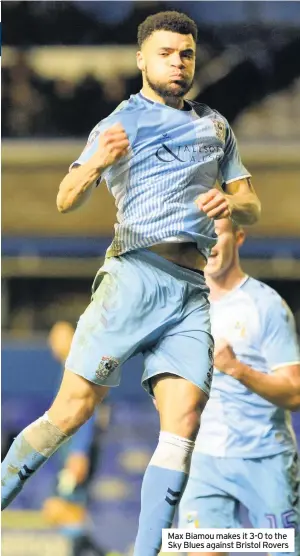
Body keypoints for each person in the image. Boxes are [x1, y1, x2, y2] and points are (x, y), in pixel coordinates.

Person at [1, 11, 261, 556]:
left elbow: (252, 205)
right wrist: (96, 160)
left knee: (183, 424)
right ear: (142, 59)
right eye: (166, 53)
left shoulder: (215, 126)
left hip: (191, 294)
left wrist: (232, 204)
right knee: (71, 412)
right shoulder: (120, 121)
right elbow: (66, 198)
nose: (178, 62)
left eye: (186, 54)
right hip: (133, 277)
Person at [179, 218, 300, 556]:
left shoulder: (266, 306)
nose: (210, 243)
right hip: (203, 461)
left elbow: (295, 394)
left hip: (264, 458)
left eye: (218, 233)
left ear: (240, 237)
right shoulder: (182, 303)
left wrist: (236, 369)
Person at [42, 321, 106, 556]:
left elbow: (87, 413)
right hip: (69, 454)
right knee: (68, 510)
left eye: (58, 338)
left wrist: (79, 453)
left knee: (61, 509)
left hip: (76, 456)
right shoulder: (70, 368)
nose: (53, 345)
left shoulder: (80, 368)